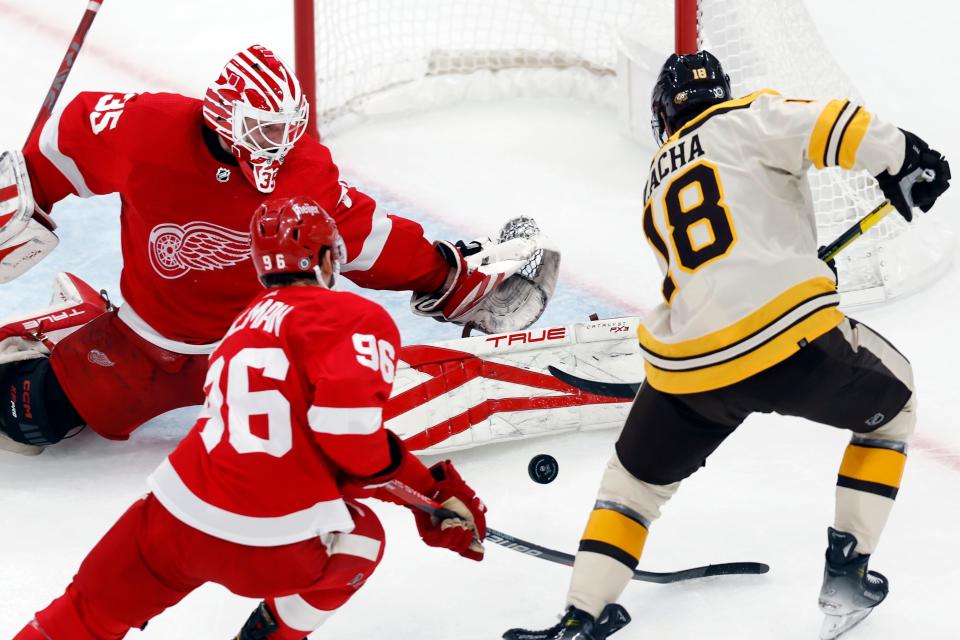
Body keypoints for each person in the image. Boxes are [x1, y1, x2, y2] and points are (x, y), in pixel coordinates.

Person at [503, 50, 951, 640]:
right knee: (896, 407)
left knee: (631, 488)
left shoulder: (655, 179)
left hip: (689, 369)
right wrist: (905, 158)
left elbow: (709, 268)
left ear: (664, 113)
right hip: (792, 346)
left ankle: (580, 616)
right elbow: (834, 123)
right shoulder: (748, 117)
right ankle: (847, 576)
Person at [0, 44, 557, 455]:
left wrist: (447, 279)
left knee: (315, 451)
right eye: (267, 132)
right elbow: (58, 151)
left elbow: (367, 238)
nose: (283, 145)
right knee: (23, 420)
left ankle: (81, 320)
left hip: (259, 353)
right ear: (224, 120)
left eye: (289, 128)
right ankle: (82, 322)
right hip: (145, 343)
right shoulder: (145, 129)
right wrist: (20, 197)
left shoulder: (303, 171)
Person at [14, 196, 487, 640]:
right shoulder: (353, 317)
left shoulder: (242, 324)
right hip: (273, 545)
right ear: (325, 260)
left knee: (81, 615)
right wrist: (431, 495)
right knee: (362, 536)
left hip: (174, 517)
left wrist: (422, 493)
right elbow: (348, 439)